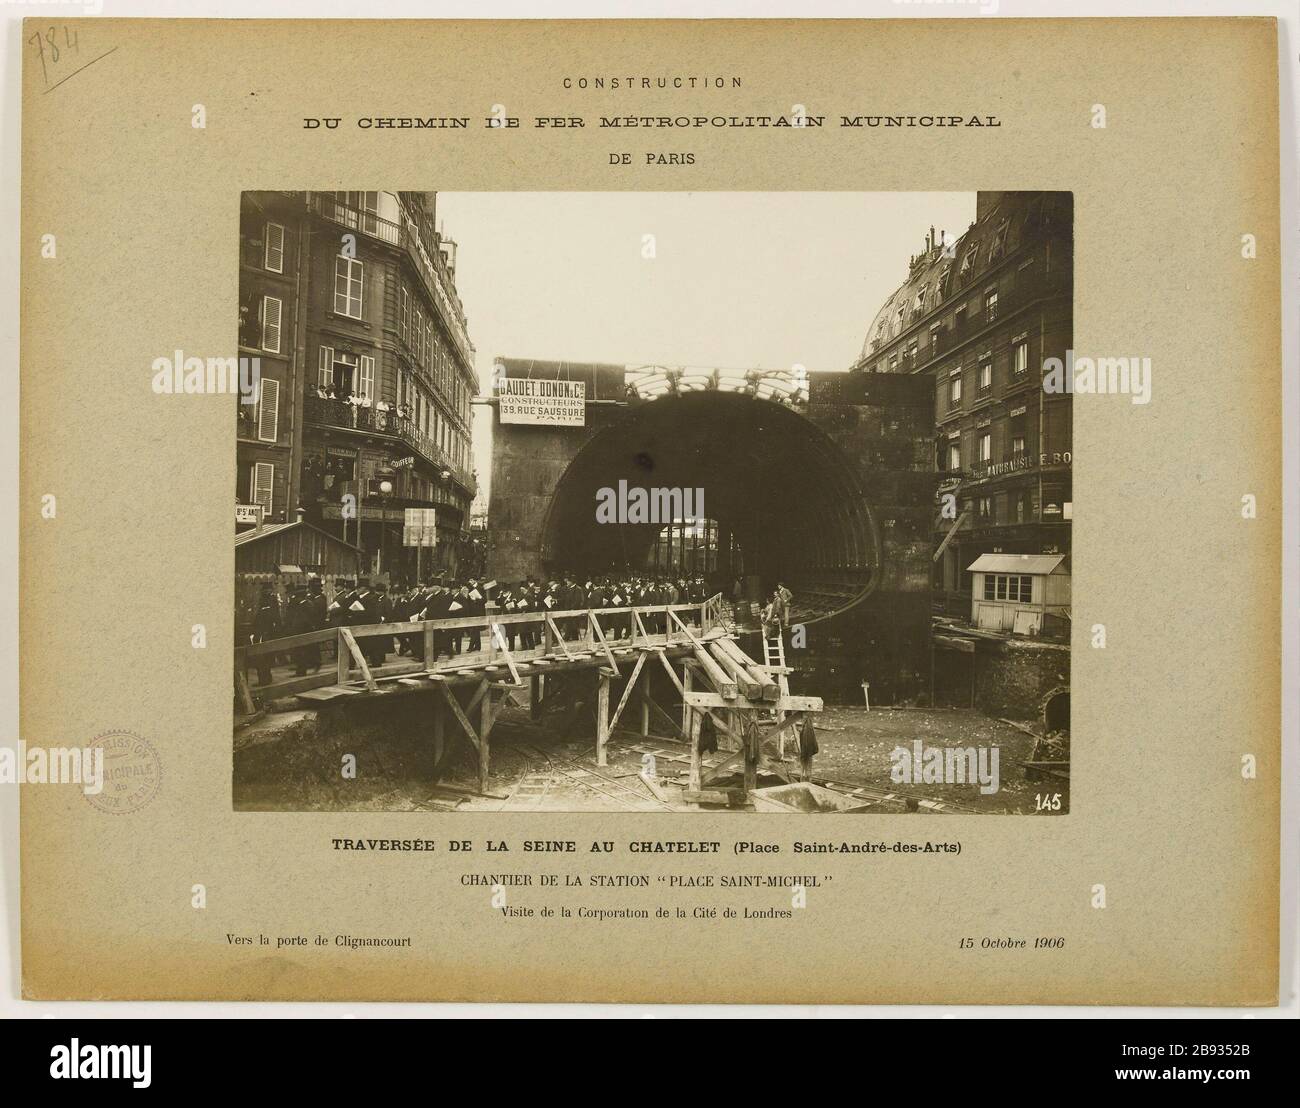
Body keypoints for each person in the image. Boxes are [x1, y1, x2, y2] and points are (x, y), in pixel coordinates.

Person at [252, 583, 282, 686]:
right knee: (264, 657)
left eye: (269, 590)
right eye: (266, 590)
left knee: (264, 657)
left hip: (266, 633)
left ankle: (265, 679)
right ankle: (265, 678)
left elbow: (273, 617)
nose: (267, 592)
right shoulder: (264, 601)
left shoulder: (270, 602)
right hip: (263, 632)